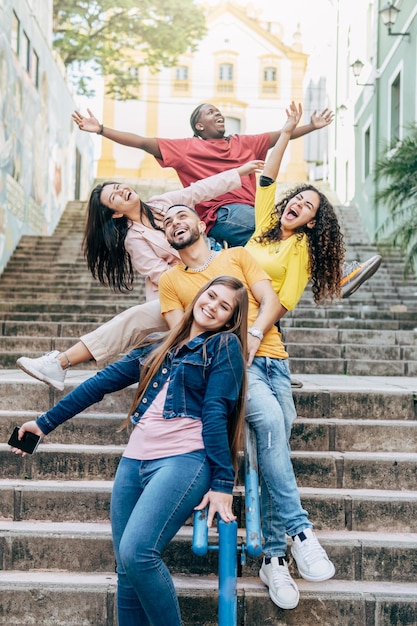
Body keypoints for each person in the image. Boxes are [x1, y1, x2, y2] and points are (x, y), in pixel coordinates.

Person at [11, 275, 249, 626]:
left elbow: (216, 411)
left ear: (230, 319)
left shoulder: (223, 346)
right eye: (210, 296)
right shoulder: (158, 344)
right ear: (199, 295)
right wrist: (44, 423)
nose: (212, 306)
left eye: (224, 306)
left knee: (138, 554)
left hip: (183, 460)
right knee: (126, 569)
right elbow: (99, 384)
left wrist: (223, 483)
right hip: (134, 460)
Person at [72, 103, 381, 297]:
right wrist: (99, 129)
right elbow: (142, 142)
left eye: (219, 111)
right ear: (198, 126)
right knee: (278, 237)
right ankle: (337, 272)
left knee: (260, 279)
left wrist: (311, 126)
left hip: (254, 212)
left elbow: (278, 136)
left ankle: (270, 357)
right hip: (223, 216)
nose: (218, 114)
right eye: (210, 112)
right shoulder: (185, 148)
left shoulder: (243, 142)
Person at [81, 160, 263, 300]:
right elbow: (161, 274)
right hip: (181, 289)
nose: (122, 191)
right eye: (115, 197)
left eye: (119, 187)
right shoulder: (134, 239)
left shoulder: (161, 202)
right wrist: (201, 278)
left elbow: (199, 190)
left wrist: (241, 171)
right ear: (116, 214)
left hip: (208, 264)